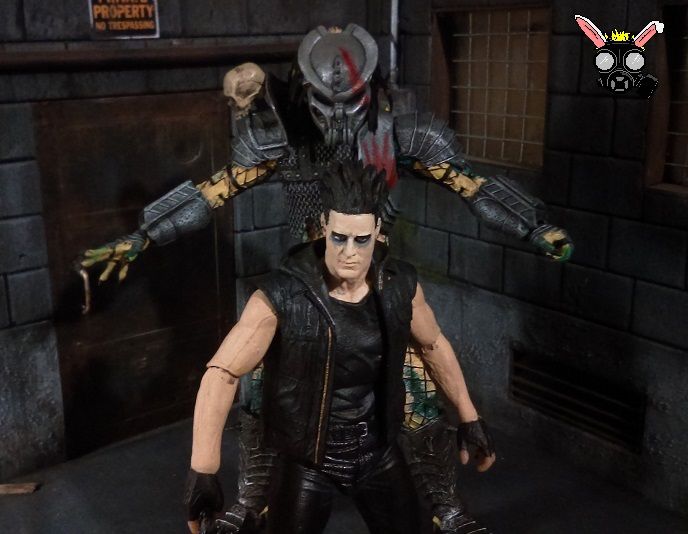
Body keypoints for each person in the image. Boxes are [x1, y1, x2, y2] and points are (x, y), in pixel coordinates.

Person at [80, 24, 570, 532]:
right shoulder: (283, 138)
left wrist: (533, 225)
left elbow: (470, 183)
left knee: (415, 387)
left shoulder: (400, 134)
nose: (336, 118)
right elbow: (216, 189)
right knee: (259, 388)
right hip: (306, 286)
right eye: (323, 102)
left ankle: (445, 505)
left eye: (348, 102)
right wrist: (144, 234)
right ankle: (250, 500)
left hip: (376, 283)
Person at [183, 162, 496, 534]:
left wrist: (469, 416)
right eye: (339, 238)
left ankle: (445, 505)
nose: (349, 251)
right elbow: (223, 372)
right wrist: (203, 468)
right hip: (309, 459)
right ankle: (252, 499)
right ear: (323, 228)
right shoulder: (282, 296)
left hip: (377, 450)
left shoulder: (400, 286)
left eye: (361, 240)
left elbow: (432, 345)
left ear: (377, 232)